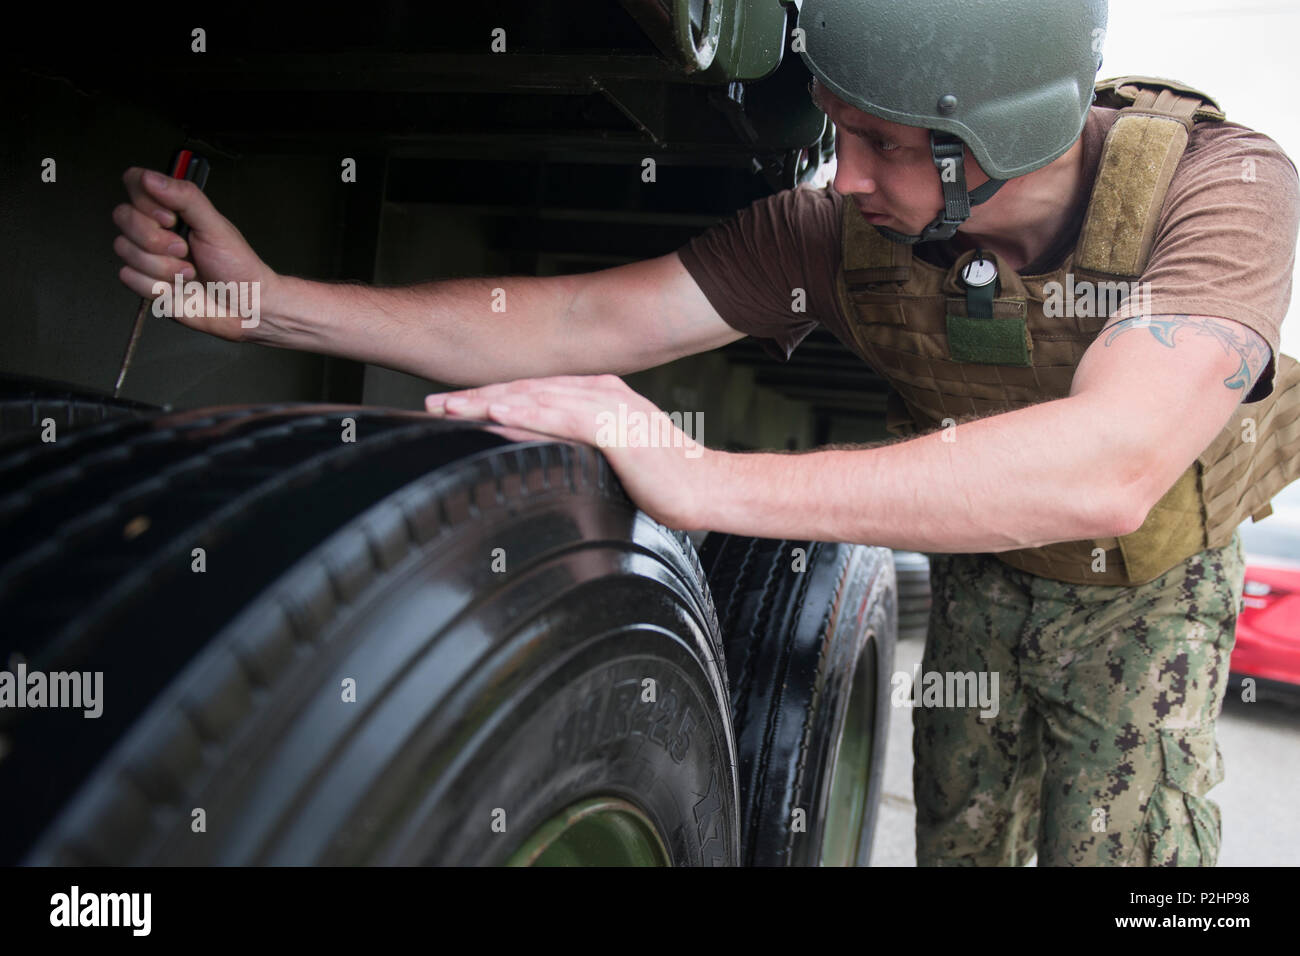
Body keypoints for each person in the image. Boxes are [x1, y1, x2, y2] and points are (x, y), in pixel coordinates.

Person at [112, 0, 1299, 865]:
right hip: (985, 574)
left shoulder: (1220, 189)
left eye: (880, 143)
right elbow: (587, 316)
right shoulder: (832, 232)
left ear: (986, 141)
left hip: (1145, 598)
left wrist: (697, 476)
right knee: (964, 842)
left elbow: (1110, 469)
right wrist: (261, 301)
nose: (842, 178)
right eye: (838, 133)